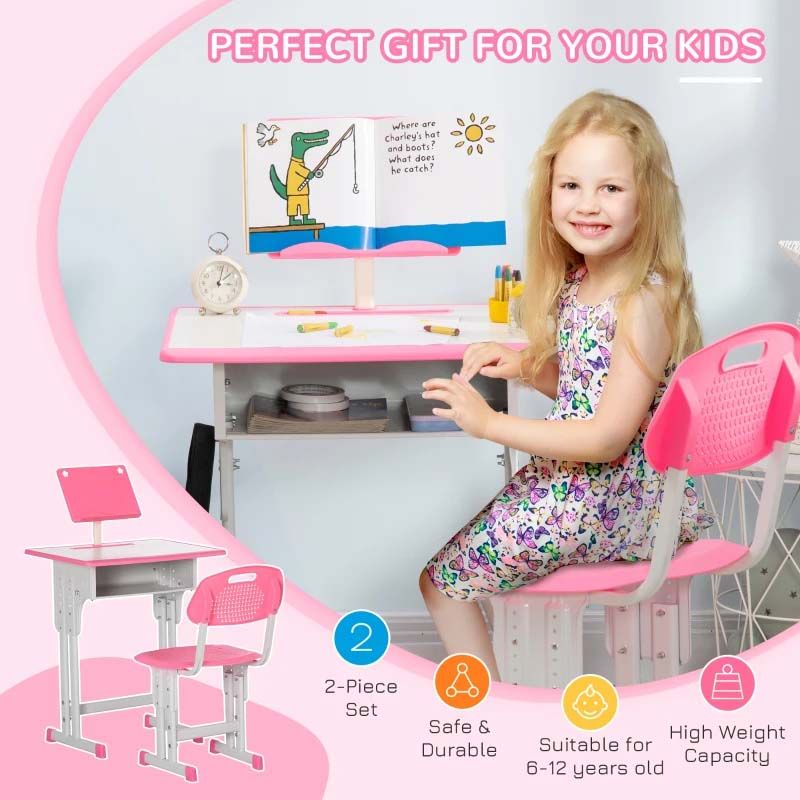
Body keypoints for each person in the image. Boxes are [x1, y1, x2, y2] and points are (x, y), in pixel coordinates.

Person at [419, 91, 712, 681]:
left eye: (611, 188)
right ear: (549, 192)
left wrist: (489, 424)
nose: (588, 205)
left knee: (441, 583)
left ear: (646, 198)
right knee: (452, 568)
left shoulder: (641, 300)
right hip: (607, 494)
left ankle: (493, 714)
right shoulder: (583, 283)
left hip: (606, 501)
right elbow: (592, 391)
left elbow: (606, 436)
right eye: (571, 186)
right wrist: (526, 367)